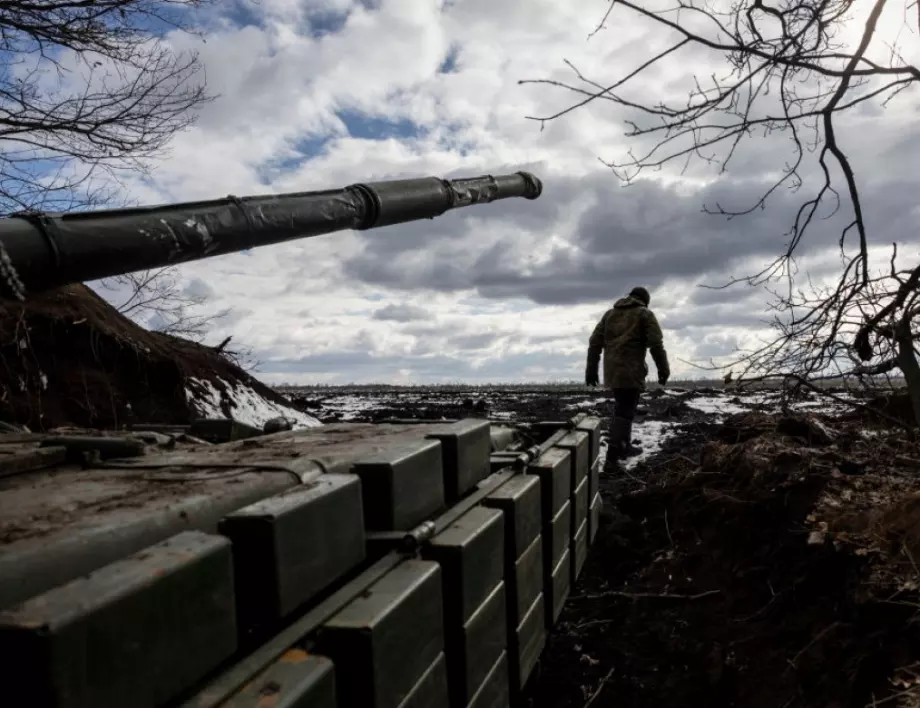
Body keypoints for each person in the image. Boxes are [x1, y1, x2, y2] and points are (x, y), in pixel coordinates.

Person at [585, 286, 670, 459]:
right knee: (625, 409)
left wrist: (591, 368)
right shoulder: (644, 314)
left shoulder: (609, 315)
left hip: (613, 372)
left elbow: (594, 342)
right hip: (631, 370)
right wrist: (663, 368)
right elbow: (656, 344)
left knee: (623, 406)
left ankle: (624, 445)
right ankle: (614, 452)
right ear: (645, 300)